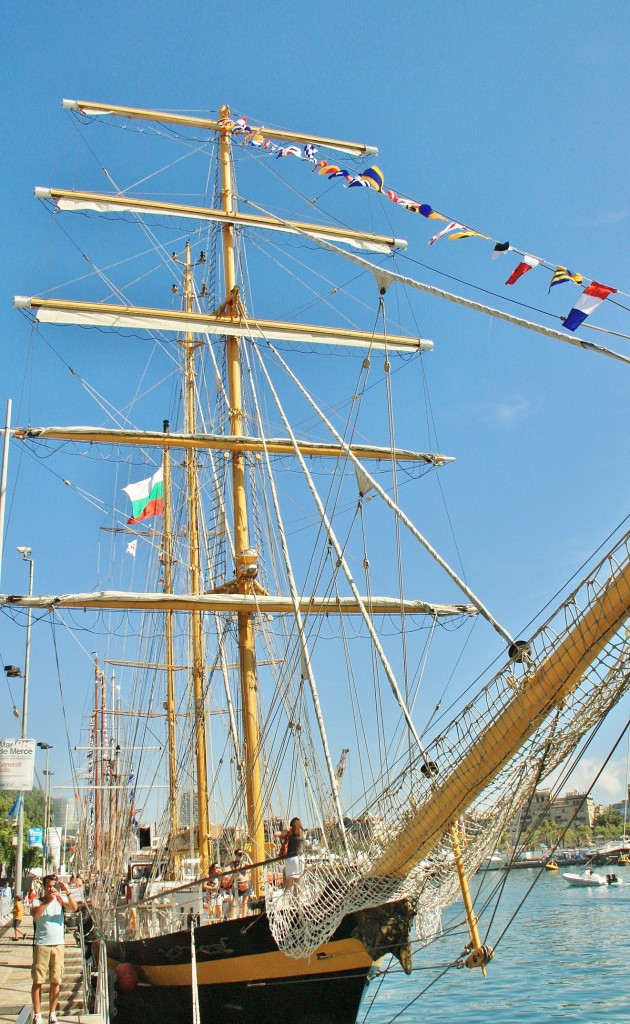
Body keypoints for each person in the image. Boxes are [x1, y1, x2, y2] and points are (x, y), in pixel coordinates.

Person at [31, 873, 78, 1024]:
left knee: (55, 980)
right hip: (42, 944)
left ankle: (52, 1013)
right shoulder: (38, 901)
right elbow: (36, 915)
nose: (51, 889)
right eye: (49, 886)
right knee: (38, 981)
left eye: (54, 886)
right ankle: (38, 1014)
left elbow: (74, 907)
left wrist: (67, 891)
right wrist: (49, 900)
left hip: (58, 944)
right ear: (44, 887)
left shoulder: (60, 899)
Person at [278, 818, 306, 891]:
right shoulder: (302, 832)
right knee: (298, 883)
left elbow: (275, 834)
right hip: (300, 858)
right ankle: (298, 901)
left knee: (289, 884)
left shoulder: (289, 832)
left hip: (290, 859)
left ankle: (286, 899)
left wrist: (285, 832)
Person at [232, 849, 253, 918]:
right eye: (239, 855)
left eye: (241, 855)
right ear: (235, 855)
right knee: (234, 901)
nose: (240, 856)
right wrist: (238, 863)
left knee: (245, 901)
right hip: (237, 884)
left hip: (245, 883)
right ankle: (233, 917)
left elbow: (252, 865)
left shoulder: (245, 863)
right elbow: (233, 870)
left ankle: (244, 916)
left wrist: (247, 855)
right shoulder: (233, 863)